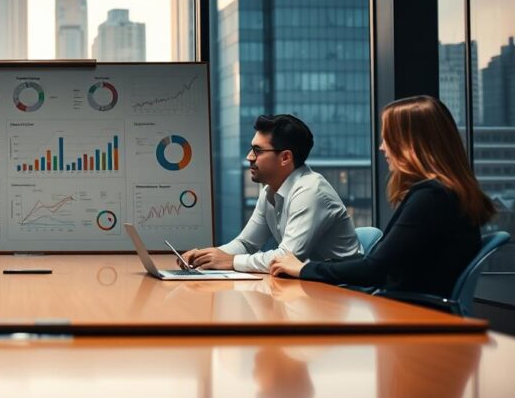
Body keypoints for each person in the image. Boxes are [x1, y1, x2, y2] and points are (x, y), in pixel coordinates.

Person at [271, 96, 494, 297]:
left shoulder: (432, 197)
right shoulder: (445, 194)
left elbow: (375, 270)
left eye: (388, 139)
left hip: (410, 317)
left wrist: (304, 268)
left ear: (411, 144)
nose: (382, 148)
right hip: (408, 311)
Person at [184, 114, 362, 273]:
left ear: (285, 157)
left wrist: (231, 261)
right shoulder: (270, 189)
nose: (249, 157)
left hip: (342, 289)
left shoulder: (310, 191)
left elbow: (286, 258)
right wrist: (206, 256)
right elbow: (246, 244)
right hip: (311, 285)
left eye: (258, 151)